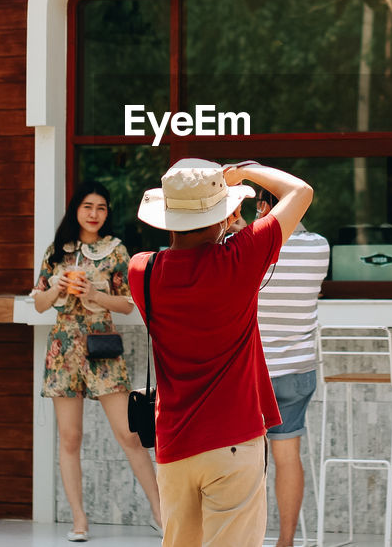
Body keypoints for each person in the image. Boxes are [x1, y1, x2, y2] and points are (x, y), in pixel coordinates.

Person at [130, 159, 313, 547]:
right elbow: (300, 192)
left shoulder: (141, 272)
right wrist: (247, 170)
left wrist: (223, 217)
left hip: (174, 446)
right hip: (233, 440)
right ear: (226, 216)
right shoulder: (240, 259)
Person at [32, 180, 163, 542]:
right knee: (70, 438)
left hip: (102, 346)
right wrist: (57, 286)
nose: (94, 214)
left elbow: (127, 304)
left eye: (101, 208)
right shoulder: (57, 252)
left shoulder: (116, 251)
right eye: (88, 206)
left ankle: (160, 511)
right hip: (63, 350)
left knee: (129, 434)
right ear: (76, 209)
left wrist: (95, 293)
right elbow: (40, 304)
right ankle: (79, 520)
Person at [252, 188, 330, 547]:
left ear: (265, 207)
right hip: (298, 370)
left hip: (254, 372)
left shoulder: (251, 244)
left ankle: (246, 538)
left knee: (249, 462)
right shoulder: (319, 247)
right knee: (288, 457)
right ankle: (285, 542)